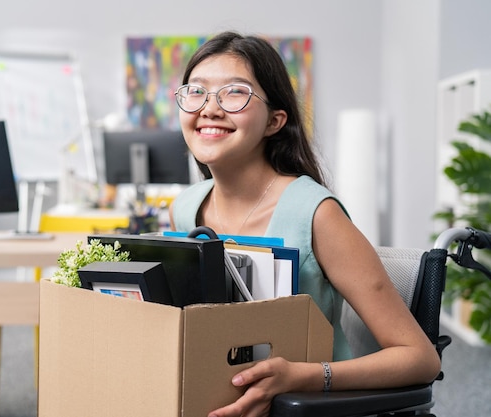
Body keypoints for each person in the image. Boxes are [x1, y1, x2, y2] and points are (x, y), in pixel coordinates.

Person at [169, 31, 441, 417]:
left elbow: (420, 358)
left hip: (307, 408)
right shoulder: (185, 210)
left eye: (234, 93)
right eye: (196, 91)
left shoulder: (315, 213)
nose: (209, 108)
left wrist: (303, 377)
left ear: (274, 121)